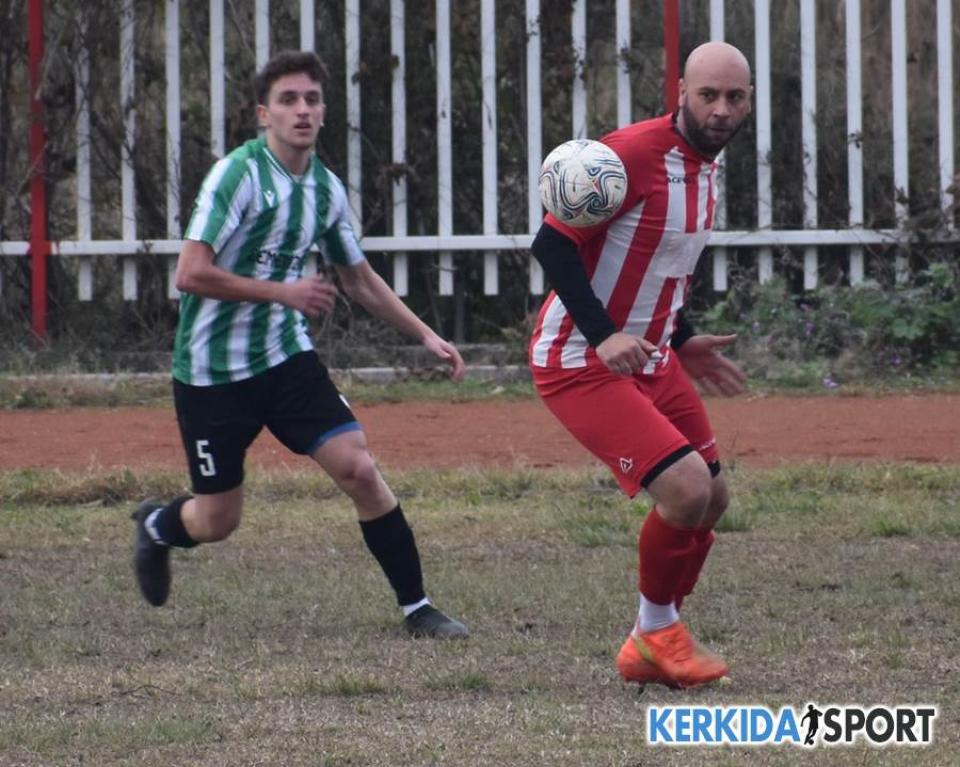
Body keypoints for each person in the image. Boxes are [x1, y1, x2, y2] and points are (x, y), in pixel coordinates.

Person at [132, 50, 468, 639]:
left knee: (359, 469)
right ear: (265, 114)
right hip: (212, 373)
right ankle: (159, 527)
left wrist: (426, 335)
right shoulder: (236, 175)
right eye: (288, 100)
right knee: (217, 520)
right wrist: (281, 292)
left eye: (311, 99)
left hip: (285, 359)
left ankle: (418, 608)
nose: (302, 110)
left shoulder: (325, 190)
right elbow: (190, 273)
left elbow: (357, 278)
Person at [529, 41, 752, 686]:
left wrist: (680, 338)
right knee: (684, 490)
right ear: (681, 92)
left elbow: (657, 264)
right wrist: (601, 336)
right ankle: (655, 633)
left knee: (712, 500)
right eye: (708, 94)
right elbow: (552, 241)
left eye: (734, 97)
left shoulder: (706, 165)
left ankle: (652, 640)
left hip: (650, 357)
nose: (720, 109)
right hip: (578, 359)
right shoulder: (628, 155)